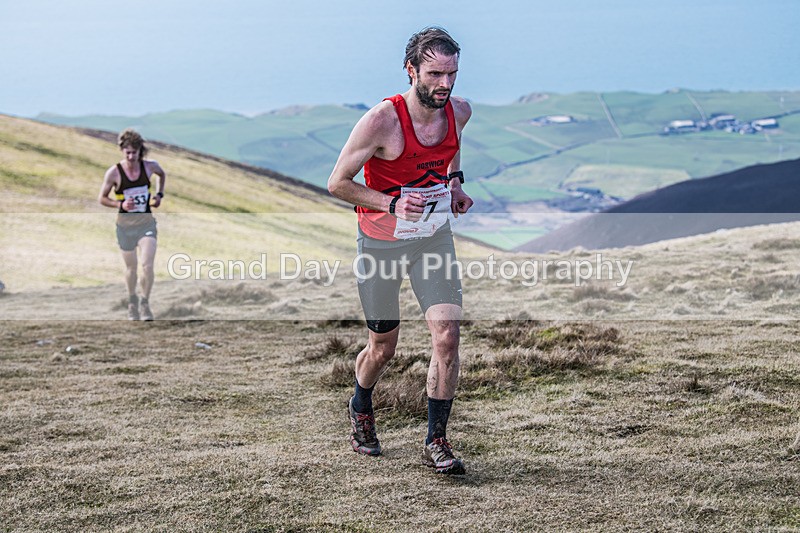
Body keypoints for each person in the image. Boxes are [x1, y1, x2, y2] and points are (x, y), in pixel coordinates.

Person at [327, 27, 473, 475]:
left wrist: (455, 186)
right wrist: (392, 202)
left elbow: (452, 152)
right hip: (381, 244)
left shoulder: (459, 112)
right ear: (411, 70)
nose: (444, 84)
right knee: (383, 347)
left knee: (447, 335)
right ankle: (361, 404)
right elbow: (338, 184)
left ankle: (437, 440)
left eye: (451, 73)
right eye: (434, 74)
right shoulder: (381, 122)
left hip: (431, 237)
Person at [98, 129, 166, 321]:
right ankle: (132, 301)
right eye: (127, 152)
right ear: (122, 151)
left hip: (146, 224)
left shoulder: (150, 167)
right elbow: (102, 198)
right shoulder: (114, 173)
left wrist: (159, 195)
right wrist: (120, 204)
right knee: (132, 269)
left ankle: (145, 303)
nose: (130, 156)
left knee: (147, 265)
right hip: (125, 227)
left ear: (140, 151)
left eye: (133, 153)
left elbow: (162, 175)